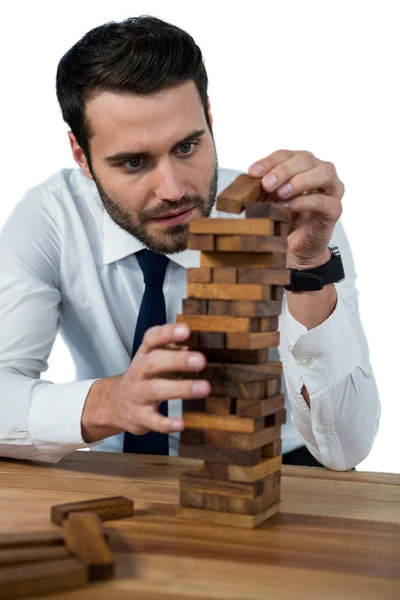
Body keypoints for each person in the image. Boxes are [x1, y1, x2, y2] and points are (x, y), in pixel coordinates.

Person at [0, 16, 380, 469]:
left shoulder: (292, 219)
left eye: (186, 148)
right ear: (82, 156)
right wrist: (110, 402)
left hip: (281, 463)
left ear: (210, 121)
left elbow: (347, 449)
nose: (174, 190)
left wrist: (308, 265)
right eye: (134, 162)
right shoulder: (51, 218)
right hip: (117, 466)